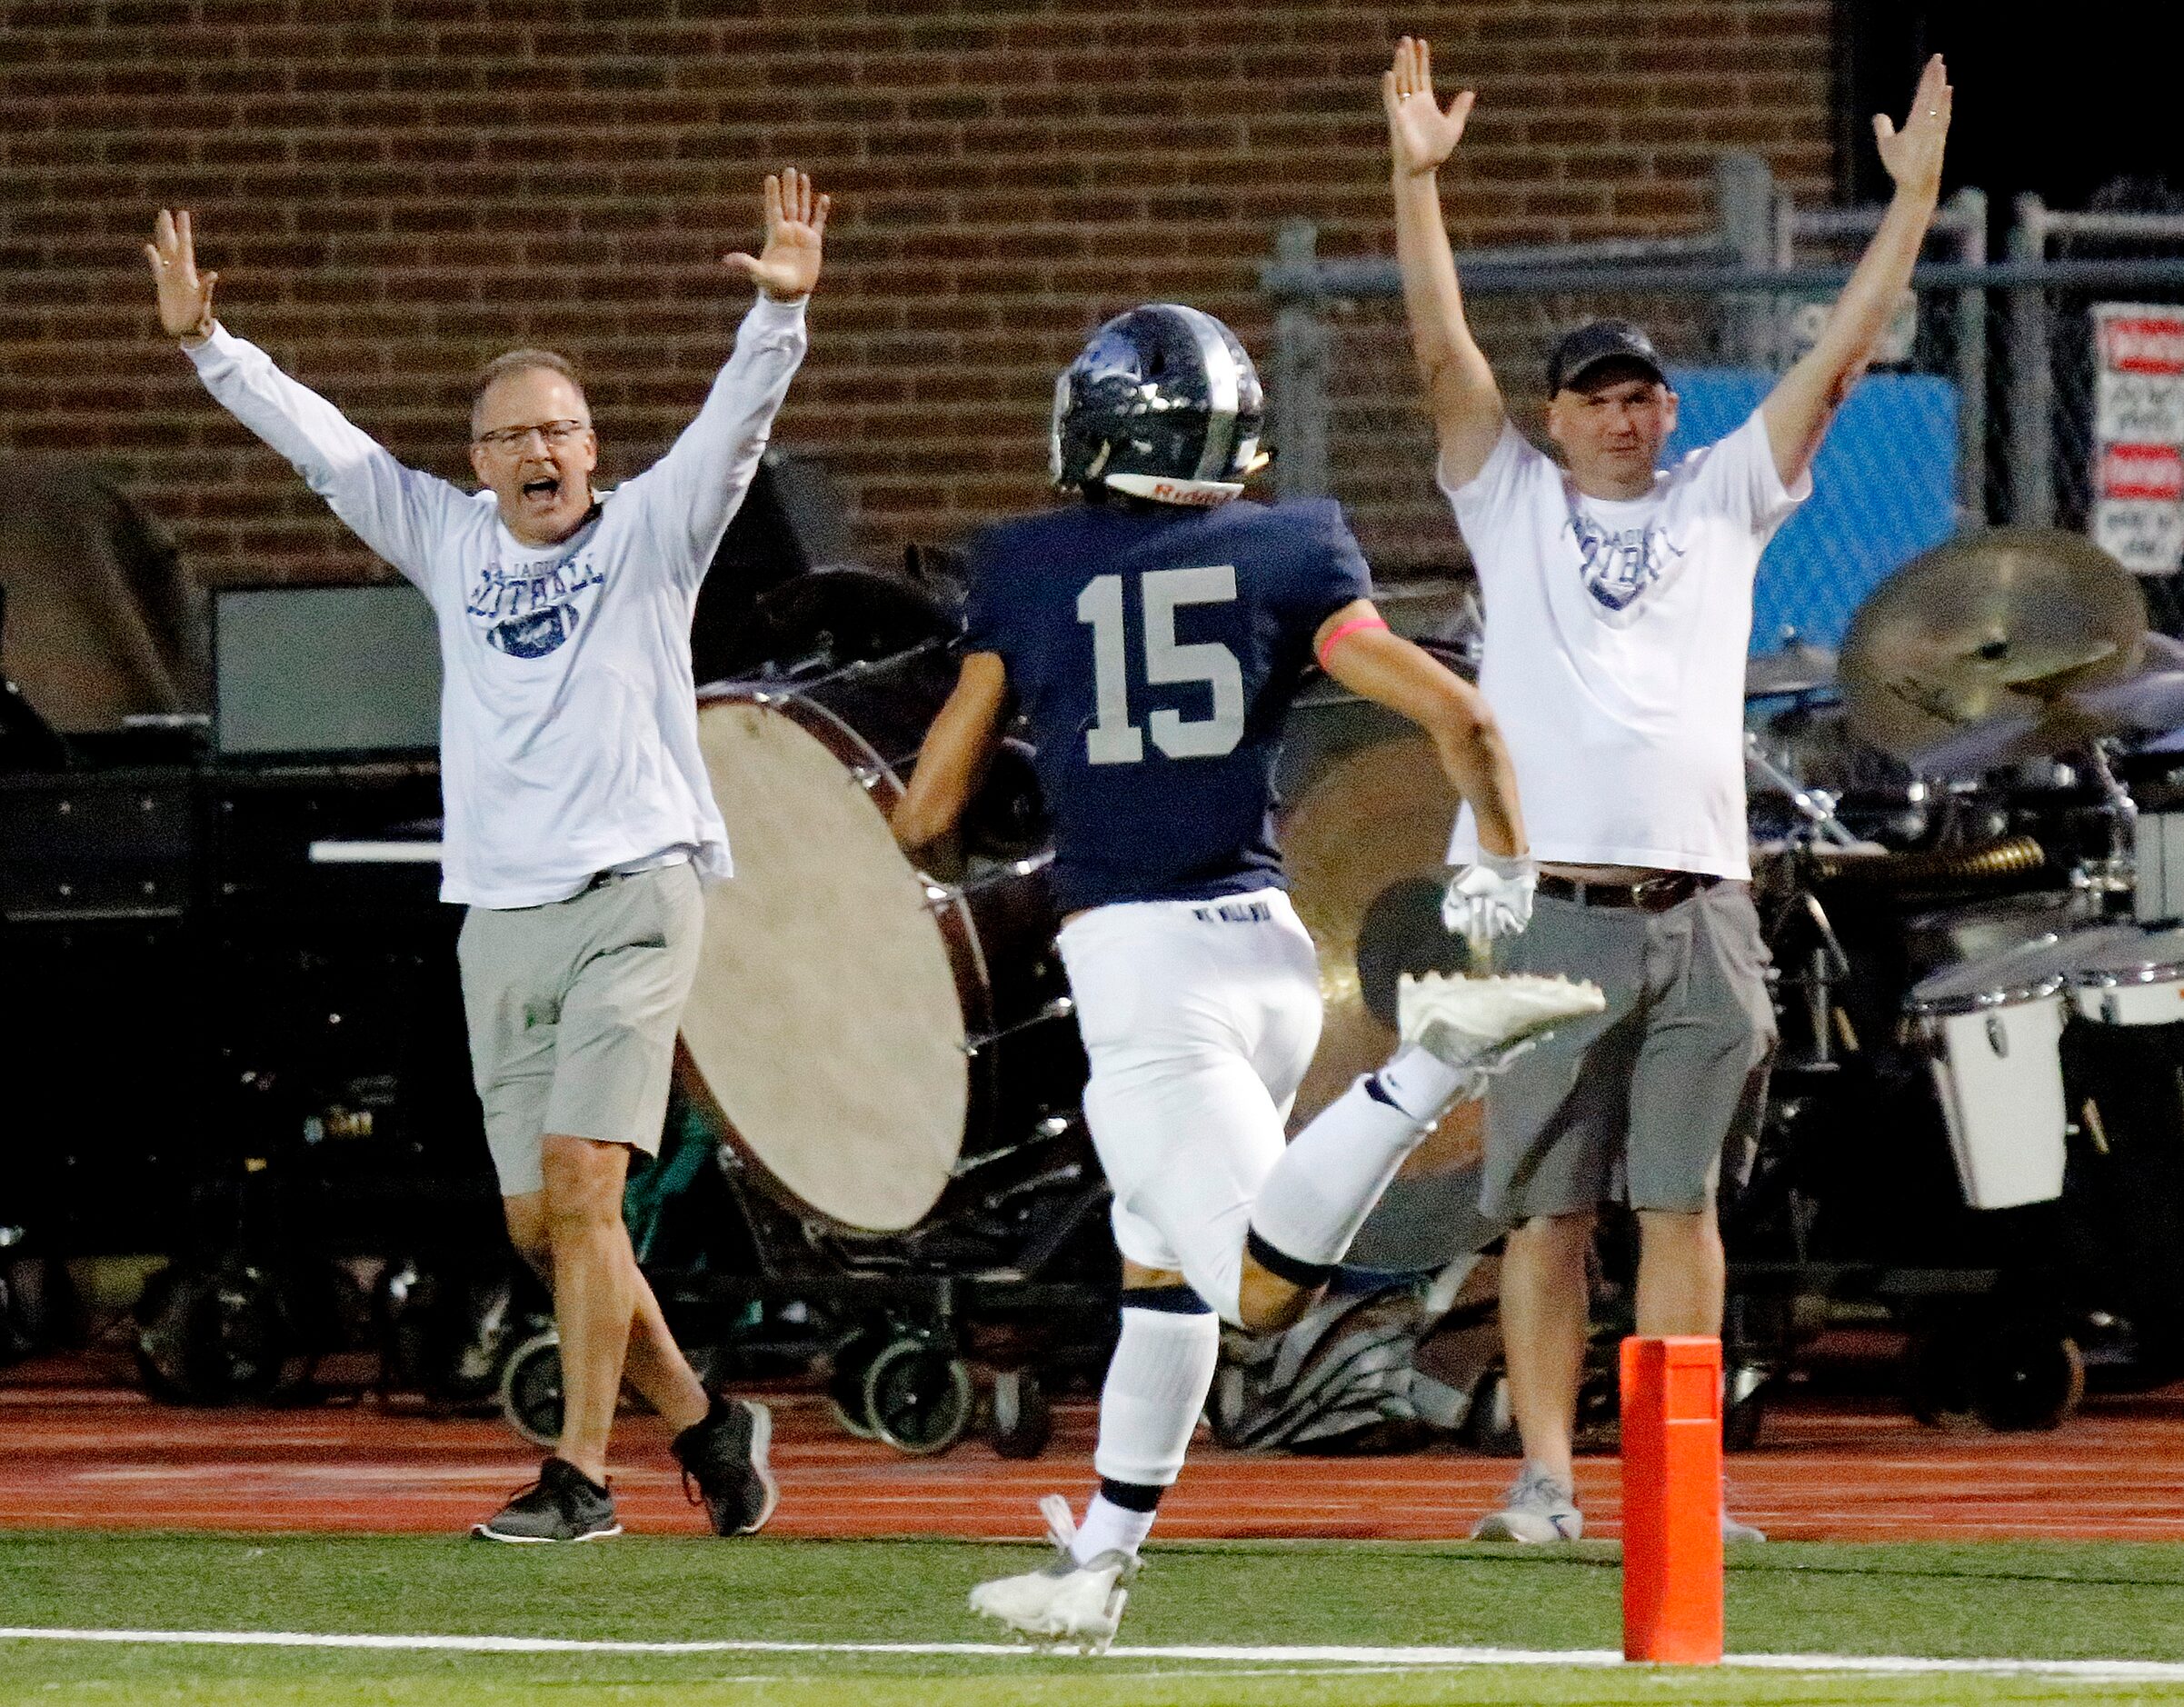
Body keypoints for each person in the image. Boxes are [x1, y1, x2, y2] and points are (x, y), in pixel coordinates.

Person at [890, 303, 1602, 1649]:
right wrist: (1504, 881)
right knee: (1155, 1268)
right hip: (1265, 952)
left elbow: (931, 807)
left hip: (1147, 965)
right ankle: (1097, 1564)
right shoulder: (1286, 548)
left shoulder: (1030, 566)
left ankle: (1439, 1051)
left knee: (1254, 1290)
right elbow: (1465, 715)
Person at [146, 171, 833, 1543]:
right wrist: (206, 347)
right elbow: (330, 451)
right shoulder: (449, 540)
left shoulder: (648, 533)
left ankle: (581, 1477)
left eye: (562, 431)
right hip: (501, 912)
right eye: (513, 435)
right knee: (546, 1224)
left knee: (587, 1187)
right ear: (477, 460)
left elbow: (735, 437)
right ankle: (704, 1423)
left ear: (593, 448)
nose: (541, 452)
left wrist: (777, 318)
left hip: (637, 888)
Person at [1381, 35, 1953, 1542]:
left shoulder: (1721, 498)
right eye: (1597, 398)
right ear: (1557, 418)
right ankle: (1549, 1483)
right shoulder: (1508, 500)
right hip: (1553, 911)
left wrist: (1914, 202)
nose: (1626, 416)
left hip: (1703, 909)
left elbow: (1839, 355)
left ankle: (1679, 1491)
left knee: (1684, 1207)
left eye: (1642, 396)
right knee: (1548, 1213)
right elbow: (1446, 359)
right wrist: (1415, 181)